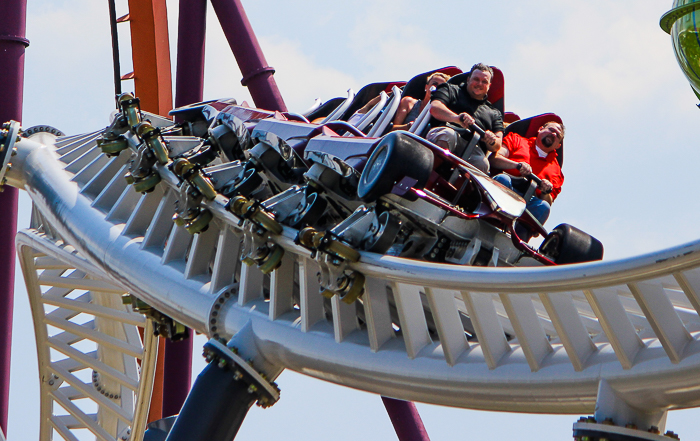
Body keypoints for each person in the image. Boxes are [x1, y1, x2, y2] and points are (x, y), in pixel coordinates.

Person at [489, 121, 565, 241]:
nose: (554, 134)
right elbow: (494, 159)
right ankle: (493, 218)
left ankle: (518, 238)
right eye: (551, 130)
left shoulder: (556, 172)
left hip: (527, 203)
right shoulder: (517, 139)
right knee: (503, 179)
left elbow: (548, 201)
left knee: (543, 206)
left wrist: (545, 191)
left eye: (558, 135)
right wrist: (516, 165)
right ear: (540, 129)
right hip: (506, 187)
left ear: (558, 146)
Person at [426, 63, 504, 173]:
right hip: (445, 131)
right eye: (476, 79)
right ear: (468, 79)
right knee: (449, 135)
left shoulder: (494, 113)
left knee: (482, 163)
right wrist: (457, 118)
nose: (479, 84)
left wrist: (491, 140)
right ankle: (429, 174)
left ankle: (458, 188)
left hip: (472, 147)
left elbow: (497, 143)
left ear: (489, 86)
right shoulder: (450, 89)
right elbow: (435, 107)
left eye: (484, 82)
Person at [346, 72, 451, 130]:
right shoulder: (409, 102)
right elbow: (392, 129)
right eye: (434, 84)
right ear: (426, 87)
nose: (435, 88)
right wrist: (408, 126)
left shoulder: (440, 113)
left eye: (440, 87)